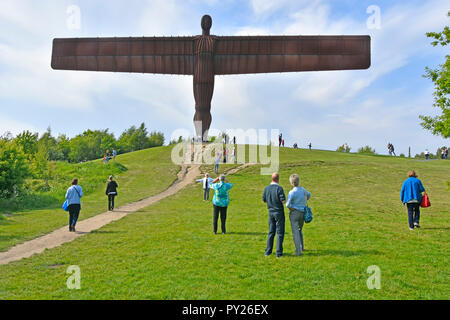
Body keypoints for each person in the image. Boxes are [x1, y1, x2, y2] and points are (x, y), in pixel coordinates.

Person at [286, 174, 311, 256]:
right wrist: (305, 199)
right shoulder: (302, 189)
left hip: (295, 213)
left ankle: (298, 251)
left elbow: (288, 204)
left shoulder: (292, 192)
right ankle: (302, 247)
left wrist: (291, 209)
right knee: (300, 230)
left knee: (295, 232)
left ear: (291, 183)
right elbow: (309, 195)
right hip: (303, 212)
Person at [262, 173, 286, 258]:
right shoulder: (279, 188)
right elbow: (283, 201)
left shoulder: (266, 188)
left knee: (271, 232)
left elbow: (264, 200)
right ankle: (278, 253)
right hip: (279, 212)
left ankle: (268, 251)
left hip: (270, 212)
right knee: (280, 233)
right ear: (278, 179)